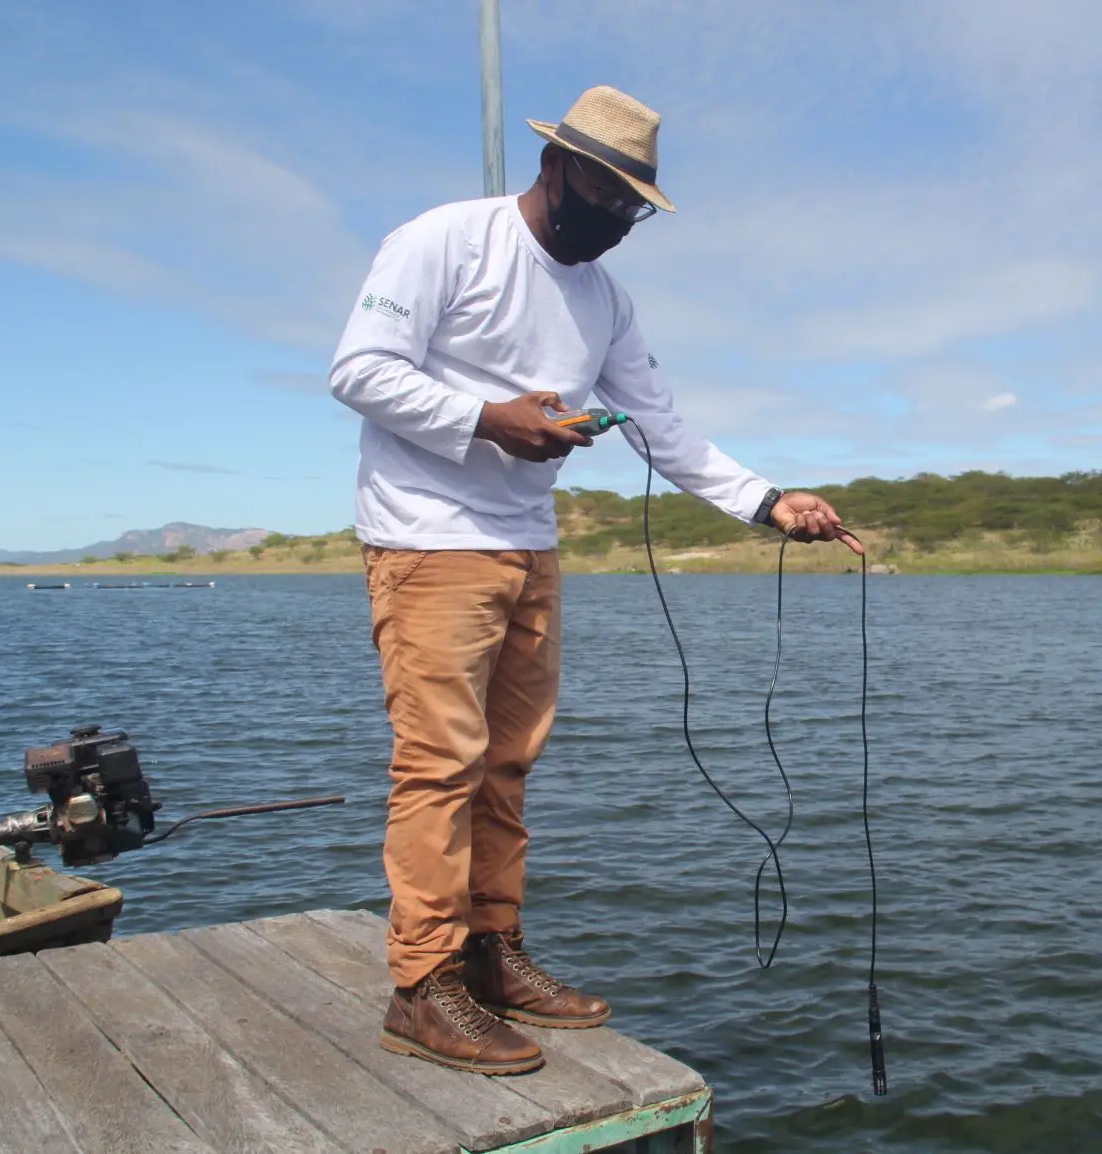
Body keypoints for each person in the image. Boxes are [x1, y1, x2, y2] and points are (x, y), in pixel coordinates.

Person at [328, 85, 861, 1076]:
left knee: (507, 761)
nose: (616, 220)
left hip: (528, 544)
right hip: (428, 540)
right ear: (555, 166)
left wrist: (769, 501)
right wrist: (496, 418)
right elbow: (359, 369)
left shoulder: (605, 299)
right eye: (607, 195)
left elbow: (662, 423)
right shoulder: (444, 241)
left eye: (632, 209)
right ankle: (422, 981)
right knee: (439, 760)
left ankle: (488, 950)